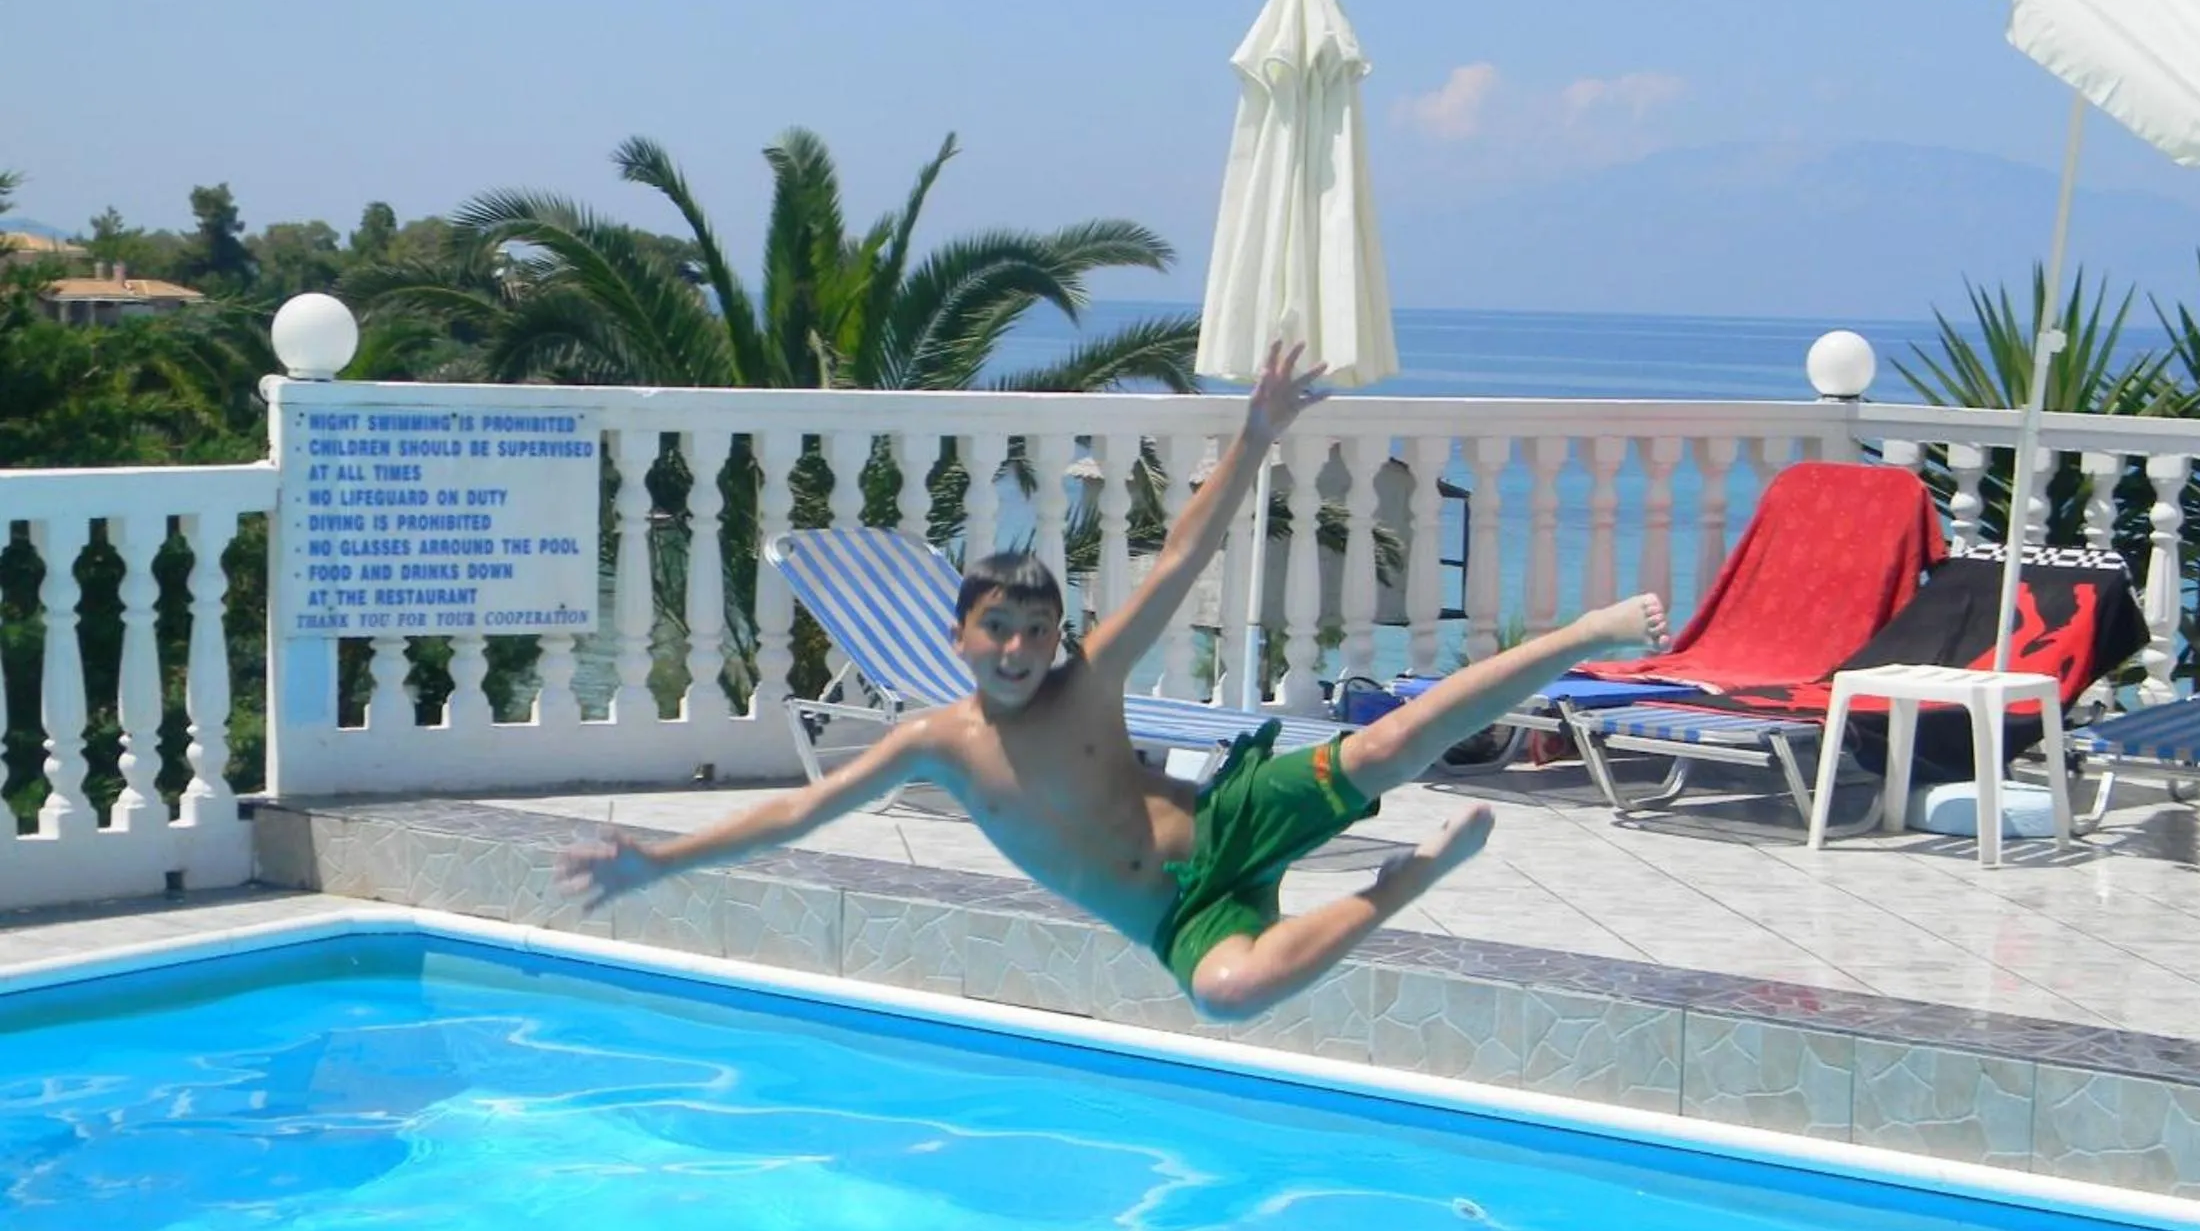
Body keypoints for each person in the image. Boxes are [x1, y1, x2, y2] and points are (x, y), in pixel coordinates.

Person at [557, 341, 1669, 1020]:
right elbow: (799, 811)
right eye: (998, 632)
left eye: (1037, 633)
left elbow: (1184, 552)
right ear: (961, 636)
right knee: (1229, 995)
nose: (1019, 652)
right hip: (1176, 920)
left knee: (1387, 747)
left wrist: (1255, 433)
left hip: (1224, 823)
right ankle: (1400, 887)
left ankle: (1578, 634)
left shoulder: (1087, 683)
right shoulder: (934, 745)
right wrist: (660, 858)